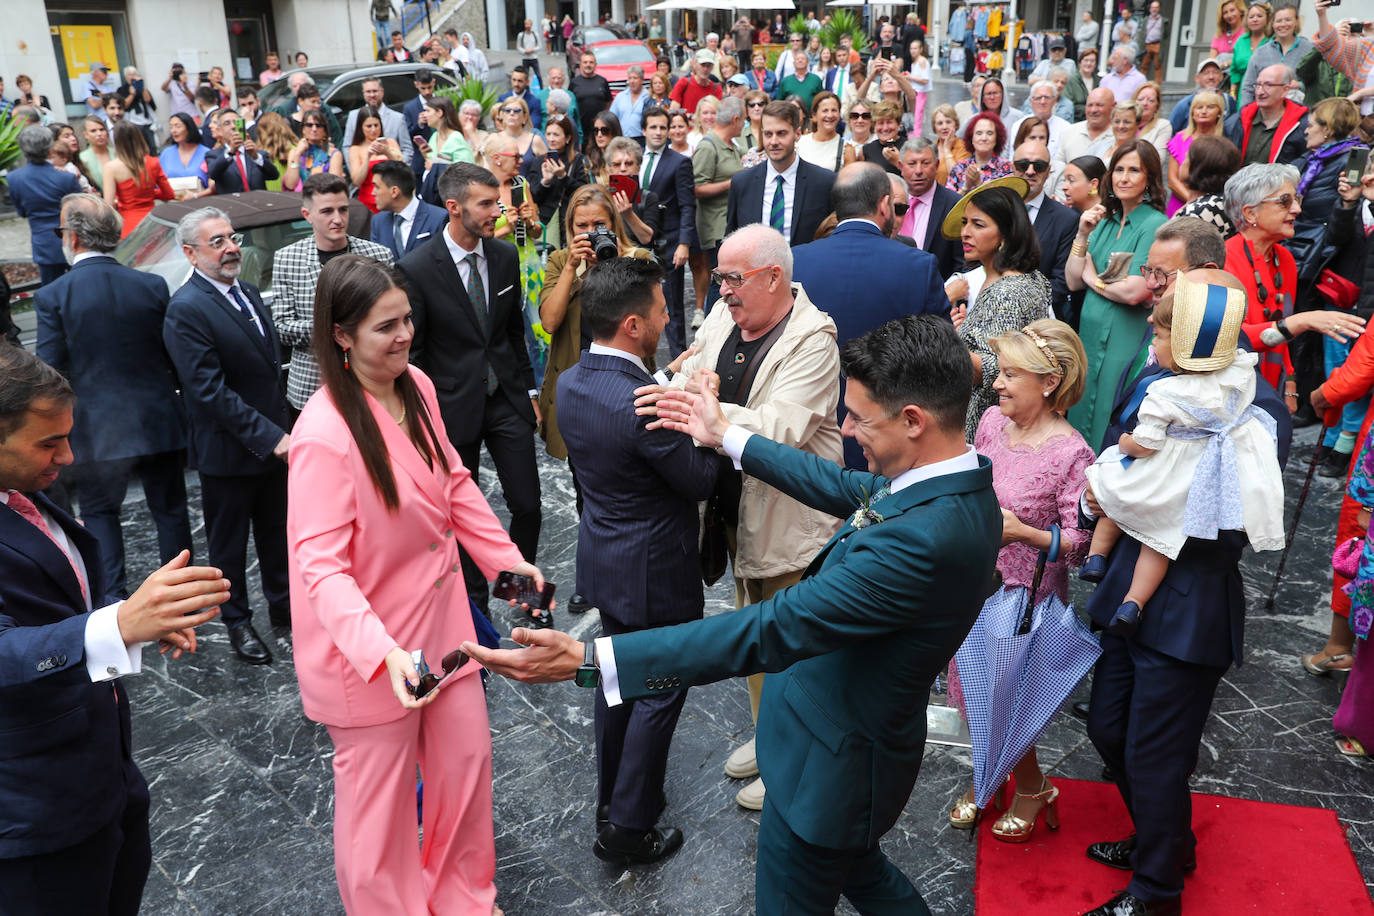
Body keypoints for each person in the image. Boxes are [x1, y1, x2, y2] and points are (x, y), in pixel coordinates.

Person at [469, 306, 1000, 912]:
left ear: (913, 421)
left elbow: (771, 628)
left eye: (857, 418)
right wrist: (726, 436)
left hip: (828, 776)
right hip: (844, 752)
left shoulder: (923, 540)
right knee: (864, 873)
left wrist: (591, 659)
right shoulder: (953, 481)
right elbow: (843, 486)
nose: (848, 431)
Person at [289, 255, 539, 916]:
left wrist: (506, 565)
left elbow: (453, 481)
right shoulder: (323, 433)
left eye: (406, 320)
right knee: (379, 822)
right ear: (341, 335)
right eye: (384, 327)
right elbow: (320, 567)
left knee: (465, 770)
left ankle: (463, 900)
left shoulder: (417, 385)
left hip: (444, 631)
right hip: (370, 659)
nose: (402, 336)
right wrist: (384, 654)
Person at [1078, 268, 1291, 916]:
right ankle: (1161, 839)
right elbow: (1122, 455)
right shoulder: (1152, 378)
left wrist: (1147, 494)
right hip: (1127, 583)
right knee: (1110, 729)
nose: (1150, 326)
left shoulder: (1255, 409)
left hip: (1190, 599)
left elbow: (1231, 525)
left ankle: (1157, 890)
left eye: (1164, 317)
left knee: (1157, 753)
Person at [0, 343, 227, 914]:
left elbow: (61, 599)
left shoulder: (25, 492)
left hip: (102, 778)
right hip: (34, 815)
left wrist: (133, 623)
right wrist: (116, 623)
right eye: (49, 443)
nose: (69, 457)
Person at [639, 224, 845, 812]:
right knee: (754, 630)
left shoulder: (814, 339)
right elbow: (687, 374)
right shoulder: (728, 314)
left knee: (793, 645)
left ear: (774, 277)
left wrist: (705, 409)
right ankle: (769, 734)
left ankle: (792, 758)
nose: (720, 289)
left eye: (733, 278)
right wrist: (700, 400)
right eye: (722, 277)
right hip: (733, 510)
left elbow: (780, 429)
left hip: (790, 520)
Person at [552, 255, 720, 863]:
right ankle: (627, 825)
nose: (667, 316)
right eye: (659, 309)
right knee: (660, 685)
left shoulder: (571, 381)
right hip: (656, 568)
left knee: (615, 679)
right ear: (631, 324)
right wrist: (705, 411)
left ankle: (613, 794)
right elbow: (700, 478)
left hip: (605, 556)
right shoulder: (644, 402)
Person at [947, 318, 1095, 837]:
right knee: (972, 691)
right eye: (999, 372)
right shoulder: (990, 422)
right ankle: (992, 775)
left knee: (1006, 697)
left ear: (1049, 382)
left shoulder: (1072, 454)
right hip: (971, 584)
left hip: (1023, 601)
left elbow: (1084, 546)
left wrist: (1026, 534)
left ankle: (1030, 788)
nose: (997, 384)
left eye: (1010, 374)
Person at [1082, 275, 1285, 635]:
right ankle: (1132, 601)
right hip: (1178, 495)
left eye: (1159, 335)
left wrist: (1126, 447)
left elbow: (1142, 444)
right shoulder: (1237, 381)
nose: (1150, 330)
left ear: (1184, 341)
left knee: (1116, 488)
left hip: (1186, 603)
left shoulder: (1165, 390)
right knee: (1159, 541)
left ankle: (1096, 557)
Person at [398, 164, 542, 613]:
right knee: (459, 514)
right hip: (449, 410)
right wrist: (421, 418)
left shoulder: (502, 256)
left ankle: (523, 597)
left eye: (496, 201)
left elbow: (513, 333)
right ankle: (475, 610)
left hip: (505, 400)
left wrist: (531, 394)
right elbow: (413, 353)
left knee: (529, 504)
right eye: (486, 203)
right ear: (454, 207)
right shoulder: (415, 268)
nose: (497, 211)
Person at [34, 194, 192, 598]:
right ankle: (179, 600)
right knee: (171, 513)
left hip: (96, 431)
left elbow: (50, 373)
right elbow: (173, 355)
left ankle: (112, 607)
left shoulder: (54, 296)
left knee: (101, 516)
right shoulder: (151, 285)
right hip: (159, 421)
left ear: (73, 236)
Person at [163, 207, 292, 664]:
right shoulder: (186, 309)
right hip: (229, 453)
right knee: (229, 547)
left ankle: (284, 611)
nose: (231, 247)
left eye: (231, 237)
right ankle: (238, 623)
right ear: (191, 254)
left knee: (278, 533)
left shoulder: (249, 292)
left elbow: (266, 371)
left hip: (273, 446)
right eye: (216, 242)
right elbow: (208, 391)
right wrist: (271, 436)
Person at [794, 162, 951, 470]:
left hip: (808, 429)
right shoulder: (918, 266)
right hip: (890, 434)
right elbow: (940, 358)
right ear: (884, 205)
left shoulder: (796, 261)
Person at [538, 185, 655, 475]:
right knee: (584, 480)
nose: (591, 232)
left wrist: (611, 265)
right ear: (570, 228)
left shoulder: (636, 259)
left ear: (614, 224)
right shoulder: (561, 261)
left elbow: (648, 329)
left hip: (626, 389)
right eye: (582, 226)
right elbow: (550, 323)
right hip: (578, 387)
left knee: (632, 473)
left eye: (599, 224)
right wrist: (572, 270)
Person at [1222, 163, 1363, 394]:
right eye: (1284, 201)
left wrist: (1290, 382)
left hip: (1271, 387)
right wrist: (1304, 321)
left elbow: (1282, 325)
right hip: (1234, 388)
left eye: (1296, 199)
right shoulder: (1224, 262)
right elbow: (1233, 339)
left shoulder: (1284, 259)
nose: (1297, 209)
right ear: (1250, 213)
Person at [1067, 140, 1169, 449]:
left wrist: (1093, 278)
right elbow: (1072, 280)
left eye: (1134, 170)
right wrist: (1083, 234)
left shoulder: (1154, 224)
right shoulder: (1103, 221)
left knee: (1111, 413)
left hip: (1125, 337)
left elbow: (1134, 292)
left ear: (1149, 179)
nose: (1123, 178)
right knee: (1081, 408)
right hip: (1090, 334)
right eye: (1119, 170)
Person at [943, 179, 1055, 438]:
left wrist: (947, 343)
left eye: (978, 224)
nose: (965, 232)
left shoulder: (1007, 292)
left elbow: (1000, 366)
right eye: (964, 223)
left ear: (1005, 234)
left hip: (989, 424)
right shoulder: (1014, 279)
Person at [274, 173, 395, 412]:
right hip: (312, 385)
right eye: (327, 211)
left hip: (372, 380)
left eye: (343, 210)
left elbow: (394, 316)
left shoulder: (379, 255)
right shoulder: (288, 258)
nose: (338, 219)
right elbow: (282, 326)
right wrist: (334, 329)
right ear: (307, 215)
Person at [725, 100, 836, 247]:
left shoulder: (824, 183)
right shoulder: (742, 183)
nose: (774, 141)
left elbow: (831, 238)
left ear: (797, 134)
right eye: (768, 134)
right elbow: (731, 239)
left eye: (781, 133)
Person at [637, 106, 697, 356]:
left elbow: (687, 205)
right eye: (654, 127)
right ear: (644, 130)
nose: (659, 132)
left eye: (664, 127)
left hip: (669, 242)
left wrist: (684, 243)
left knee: (673, 306)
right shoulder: (634, 158)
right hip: (639, 240)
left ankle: (678, 359)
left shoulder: (679, 162)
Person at [691, 96, 745, 325]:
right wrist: (733, 182)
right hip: (715, 227)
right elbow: (696, 187)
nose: (744, 125)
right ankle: (713, 325)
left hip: (730, 224)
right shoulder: (708, 146)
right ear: (735, 119)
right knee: (719, 280)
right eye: (743, 120)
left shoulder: (732, 146)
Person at [10, 127, 83, 288]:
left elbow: (22, 212)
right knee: (81, 288)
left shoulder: (14, 178)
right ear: (50, 148)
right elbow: (81, 209)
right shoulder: (66, 178)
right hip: (72, 241)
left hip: (44, 244)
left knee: (52, 291)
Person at [1017, 139, 1079, 319]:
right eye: (1023, 165)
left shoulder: (1066, 219)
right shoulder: (994, 211)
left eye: (1038, 165)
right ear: (1013, 167)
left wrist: (1017, 300)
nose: (1030, 171)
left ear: (1048, 171)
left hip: (1040, 321)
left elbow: (1061, 282)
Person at [895, 138, 964, 279]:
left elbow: (961, 263)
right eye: (912, 164)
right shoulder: (887, 202)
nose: (919, 171)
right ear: (900, 166)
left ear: (937, 165)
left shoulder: (954, 204)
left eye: (925, 163)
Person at [370, 159, 448, 259]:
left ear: (394, 191)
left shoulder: (438, 218)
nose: (373, 193)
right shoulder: (378, 222)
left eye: (377, 187)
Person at [1166, 91, 1228, 214]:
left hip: (1211, 209)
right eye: (1199, 107)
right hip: (1179, 205)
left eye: (1210, 107)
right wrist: (1192, 202)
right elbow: (1172, 180)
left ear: (1219, 113)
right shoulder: (1180, 138)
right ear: (1192, 113)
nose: (1204, 111)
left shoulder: (1224, 143)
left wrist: (1202, 205)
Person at [1239, 3, 1311, 107]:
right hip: (1266, 113)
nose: (1283, 24)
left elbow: (1317, 83)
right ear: (1272, 24)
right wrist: (1245, 114)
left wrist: (1299, 85)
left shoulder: (1308, 49)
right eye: (1279, 21)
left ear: (1296, 21)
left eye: (1288, 20)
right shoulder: (1260, 52)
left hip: (1299, 112)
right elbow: (1248, 87)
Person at [1175, 133, 1243, 237]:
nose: (1182, 163)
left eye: (1187, 157)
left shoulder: (1200, 211)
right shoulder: (1224, 202)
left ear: (1199, 167)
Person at [342, 79, 415, 167]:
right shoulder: (353, 116)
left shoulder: (397, 118)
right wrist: (355, 170)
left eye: (375, 91)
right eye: (368, 91)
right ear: (363, 93)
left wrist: (400, 169)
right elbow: (347, 146)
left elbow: (407, 149)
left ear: (382, 92)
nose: (372, 95)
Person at [348, 104, 404, 214]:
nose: (373, 130)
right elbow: (356, 181)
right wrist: (368, 157)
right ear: (361, 128)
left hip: (392, 200)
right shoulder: (356, 149)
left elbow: (403, 171)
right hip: (368, 203)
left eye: (376, 125)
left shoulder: (391, 143)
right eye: (368, 126)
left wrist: (388, 153)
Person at [206, 109, 279, 194]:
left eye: (236, 122)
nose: (233, 126)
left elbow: (274, 175)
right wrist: (231, 152)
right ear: (219, 130)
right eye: (227, 123)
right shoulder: (214, 155)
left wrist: (256, 157)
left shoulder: (257, 153)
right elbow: (213, 173)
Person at [945, 112, 1013, 193]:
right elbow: (950, 203)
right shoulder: (960, 168)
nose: (984, 138)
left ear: (997, 138)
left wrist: (979, 184)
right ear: (972, 138)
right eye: (979, 133)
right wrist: (966, 187)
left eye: (990, 133)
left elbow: (1006, 201)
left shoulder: (1005, 167)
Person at [1169, 59, 1238, 134]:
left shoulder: (1228, 101)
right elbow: (1171, 131)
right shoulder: (1185, 103)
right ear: (1197, 78)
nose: (1211, 77)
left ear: (1221, 76)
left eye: (1215, 72)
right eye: (1206, 73)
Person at [281, 110, 342, 191]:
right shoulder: (295, 153)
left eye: (319, 125)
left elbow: (334, 186)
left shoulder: (333, 154)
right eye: (309, 125)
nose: (314, 129)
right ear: (303, 129)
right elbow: (290, 185)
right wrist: (298, 154)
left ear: (325, 131)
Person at [419, 95, 476, 171]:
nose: (424, 114)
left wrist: (436, 167)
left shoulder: (455, 137)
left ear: (439, 113)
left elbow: (466, 168)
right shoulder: (434, 136)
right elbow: (431, 163)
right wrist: (425, 155)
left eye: (428, 111)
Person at [1234, 2, 1276, 96]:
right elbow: (1234, 70)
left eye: (1259, 16)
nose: (1255, 19)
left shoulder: (1272, 41)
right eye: (1251, 17)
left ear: (1268, 18)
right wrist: (1233, 93)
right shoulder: (1241, 41)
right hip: (1244, 90)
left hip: (1267, 91)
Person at [570, 52, 614, 142]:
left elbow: (608, 102)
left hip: (600, 130)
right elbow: (570, 105)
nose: (588, 65)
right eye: (585, 62)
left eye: (591, 62)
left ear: (595, 64)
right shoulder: (574, 83)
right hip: (581, 130)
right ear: (580, 65)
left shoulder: (602, 81)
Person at [795, 92, 843, 173]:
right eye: (825, 111)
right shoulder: (800, 143)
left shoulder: (846, 148)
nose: (830, 115)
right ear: (814, 116)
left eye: (834, 110)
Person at [670, 51, 723, 119]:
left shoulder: (716, 88)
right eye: (702, 65)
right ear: (695, 64)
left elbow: (718, 114)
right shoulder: (683, 83)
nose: (705, 69)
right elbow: (673, 112)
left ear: (712, 67)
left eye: (708, 65)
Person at [930, 104, 967, 187]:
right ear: (934, 127)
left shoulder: (964, 147)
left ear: (956, 125)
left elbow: (958, 176)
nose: (944, 127)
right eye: (940, 123)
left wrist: (947, 150)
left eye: (948, 122)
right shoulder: (930, 148)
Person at [499, 66, 544, 132]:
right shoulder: (502, 99)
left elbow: (534, 125)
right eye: (514, 80)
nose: (516, 84)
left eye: (520, 81)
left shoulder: (534, 102)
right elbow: (498, 122)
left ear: (527, 82)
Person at [609, 65, 649, 140]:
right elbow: (612, 118)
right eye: (630, 78)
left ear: (642, 80)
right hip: (622, 138)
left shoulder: (648, 97)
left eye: (635, 78)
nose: (632, 81)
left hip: (642, 139)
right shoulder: (620, 97)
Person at [1212, 1, 1246, 86]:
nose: (1229, 15)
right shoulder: (1219, 34)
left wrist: (1224, 64)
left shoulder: (1247, 31)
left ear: (1240, 11)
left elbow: (1244, 57)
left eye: (1232, 10)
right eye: (1225, 12)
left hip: (1238, 76)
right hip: (1220, 75)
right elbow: (1212, 59)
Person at [1065, 49, 1099, 125]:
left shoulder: (1098, 81)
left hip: (1095, 122)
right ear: (1080, 62)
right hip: (1076, 121)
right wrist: (1089, 109)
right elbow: (1068, 104)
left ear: (1095, 64)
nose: (1089, 63)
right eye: (1086, 60)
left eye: (1092, 61)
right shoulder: (1071, 80)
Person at [517, 18, 542, 87]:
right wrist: (524, 51)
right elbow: (518, 47)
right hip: (525, 58)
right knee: (525, 76)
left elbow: (539, 46)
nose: (528, 26)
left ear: (531, 25)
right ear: (525, 25)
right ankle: (525, 89)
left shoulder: (535, 34)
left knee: (538, 75)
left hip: (534, 57)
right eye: (526, 24)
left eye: (529, 24)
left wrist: (533, 50)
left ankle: (541, 88)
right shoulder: (521, 35)